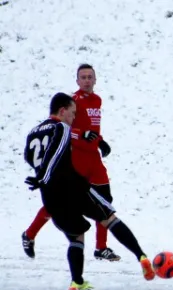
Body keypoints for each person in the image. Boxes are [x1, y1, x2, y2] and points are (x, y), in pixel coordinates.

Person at [24, 92, 155, 290]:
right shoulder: (62, 127)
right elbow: (55, 153)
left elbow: (28, 156)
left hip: (50, 195)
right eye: (73, 113)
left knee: (76, 235)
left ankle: (77, 281)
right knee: (108, 218)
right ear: (62, 111)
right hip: (72, 186)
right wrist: (44, 174)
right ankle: (141, 256)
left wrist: (40, 176)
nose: (74, 118)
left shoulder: (34, 131)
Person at [22, 64, 120, 261]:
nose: (86, 80)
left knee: (105, 201)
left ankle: (101, 247)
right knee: (58, 203)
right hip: (76, 160)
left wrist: (100, 142)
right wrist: (83, 135)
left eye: (89, 77)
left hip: (94, 160)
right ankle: (29, 234)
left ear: (95, 80)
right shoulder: (72, 102)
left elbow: (92, 128)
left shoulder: (97, 100)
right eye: (82, 77)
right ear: (77, 81)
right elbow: (66, 130)